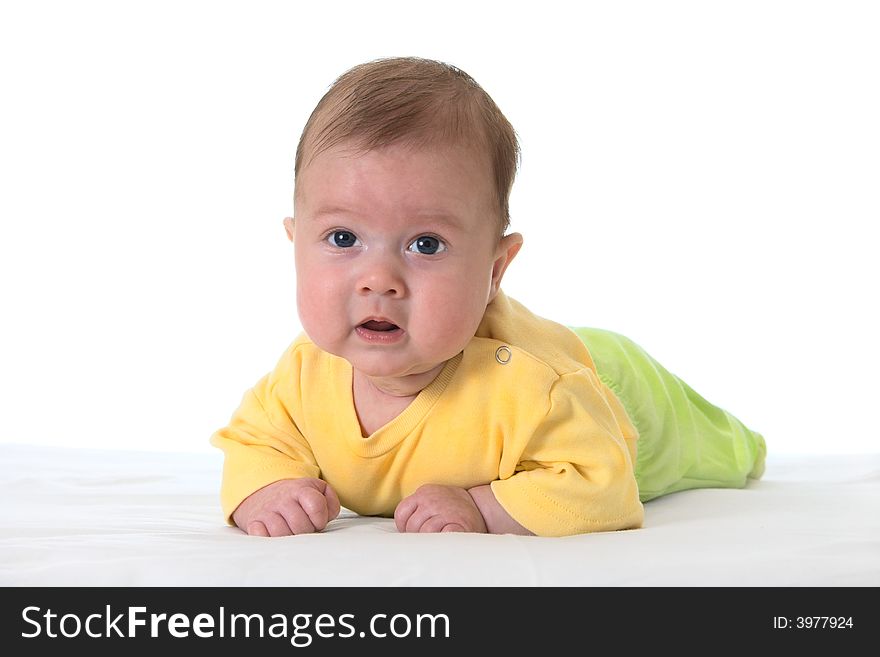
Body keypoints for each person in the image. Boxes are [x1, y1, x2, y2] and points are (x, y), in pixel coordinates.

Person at [210, 56, 766, 538]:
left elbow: (604, 483)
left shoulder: (538, 389)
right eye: (343, 239)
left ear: (495, 269)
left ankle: (746, 443)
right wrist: (268, 488)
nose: (378, 279)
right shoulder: (304, 376)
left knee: (720, 450)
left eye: (426, 244)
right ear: (296, 246)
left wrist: (481, 505)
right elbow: (255, 442)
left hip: (613, 386)